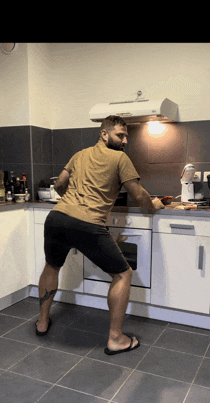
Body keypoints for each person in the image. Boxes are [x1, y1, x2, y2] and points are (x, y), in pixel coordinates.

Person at [35, 115, 164, 355]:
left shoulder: (79, 155)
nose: (125, 141)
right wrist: (153, 205)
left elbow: (60, 185)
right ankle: (116, 339)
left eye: (126, 136)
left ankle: (42, 323)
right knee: (123, 274)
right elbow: (139, 196)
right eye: (119, 135)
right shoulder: (120, 158)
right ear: (103, 134)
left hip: (56, 218)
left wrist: (72, 200)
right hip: (87, 223)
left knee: (52, 267)